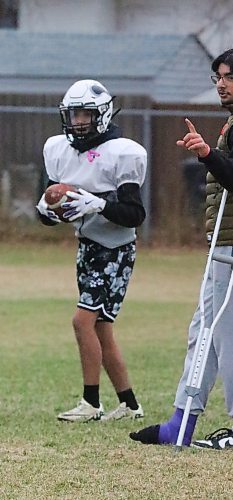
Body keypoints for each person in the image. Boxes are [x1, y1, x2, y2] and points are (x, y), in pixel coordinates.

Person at [130, 48, 233, 450]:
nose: (221, 83)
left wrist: (206, 154)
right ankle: (181, 423)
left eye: (230, 77)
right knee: (204, 330)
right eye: (217, 76)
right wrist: (211, 153)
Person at [36, 79, 147, 422]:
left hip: (114, 249)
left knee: (82, 321)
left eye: (84, 114)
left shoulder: (123, 152)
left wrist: (98, 204)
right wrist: (47, 211)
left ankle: (91, 403)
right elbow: (50, 212)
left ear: (101, 114)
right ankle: (130, 405)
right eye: (73, 115)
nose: (77, 122)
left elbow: (135, 215)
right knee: (101, 328)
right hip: (87, 246)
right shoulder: (58, 150)